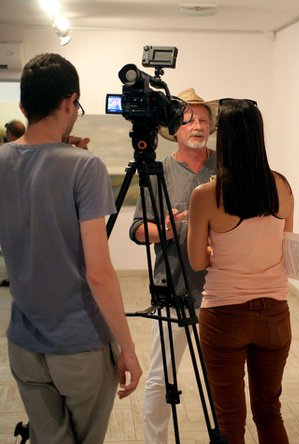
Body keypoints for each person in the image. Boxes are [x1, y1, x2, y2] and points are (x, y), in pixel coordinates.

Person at [0, 53, 142, 444]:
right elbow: (98, 272)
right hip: (80, 343)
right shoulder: (85, 166)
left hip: (24, 343)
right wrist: (127, 347)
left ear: (24, 107)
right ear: (70, 101)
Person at [187, 98, 294, 444]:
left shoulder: (206, 195)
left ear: (225, 139)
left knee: (230, 418)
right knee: (269, 410)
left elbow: (197, 262)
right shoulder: (282, 187)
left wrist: (214, 249)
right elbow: (286, 245)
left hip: (224, 314)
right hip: (275, 313)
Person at [128, 88, 218, 443]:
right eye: (189, 119)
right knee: (161, 377)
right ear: (174, 129)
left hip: (220, 291)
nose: (197, 125)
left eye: (203, 119)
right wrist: (161, 229)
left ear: (211, 126)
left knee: (220, 377)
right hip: (173, 289)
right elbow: (137, 230)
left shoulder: (225, 167)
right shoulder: (158, 172)